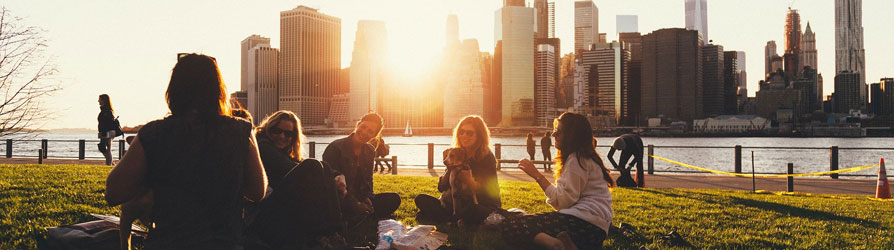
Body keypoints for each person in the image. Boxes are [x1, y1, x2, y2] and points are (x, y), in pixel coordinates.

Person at [105, 53, 267, 249]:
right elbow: (258, 192)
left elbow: (113, 193)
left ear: (173, 90)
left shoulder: (154, 133)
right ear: (218, 90)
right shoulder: (241, 131)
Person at [503, 112, 614, 250]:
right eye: (555, 131)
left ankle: (556, 245)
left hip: (582, 224)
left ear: (572, 136)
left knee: (512, 225)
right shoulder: (586, 158)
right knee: (529, 228)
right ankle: (568, 245)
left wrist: (537, 176)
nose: (554, 135)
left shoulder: (576, 160)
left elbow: (562, 202)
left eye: (558, 132)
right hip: (596, 231)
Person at [246, 110, 346, 249]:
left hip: (276, 210)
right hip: (263, 214)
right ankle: (331, 232)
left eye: (288, 133)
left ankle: (332, 232)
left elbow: (298, 163)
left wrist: (337, 175)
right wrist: (326, 178)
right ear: (269, 129)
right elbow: (293, 167)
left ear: (293, 137)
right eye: (277, 131)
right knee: (313, 166)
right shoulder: (263, 145)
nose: (282, 136)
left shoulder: (282, 152)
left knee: (324, 166)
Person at [415, 115, 502, 226]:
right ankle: (453, 220)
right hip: (455, 202)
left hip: (480, 203)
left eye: (470, 133)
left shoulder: (487, 157)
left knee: (472, 211)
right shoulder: (455, 153)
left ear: (479, 136)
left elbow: (489, 192)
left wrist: (470, 181)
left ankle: (446, 219)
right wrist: (448, 172)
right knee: (421, 199)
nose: (464, 136)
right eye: (461, 132)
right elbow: (441, 188)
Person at [322, 112, 400, 226]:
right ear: (358, 124)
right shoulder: (335, 147)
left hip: (359, 196)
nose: (364, 132)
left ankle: (359, 215)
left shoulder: (370, 150)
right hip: (340, 198)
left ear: (374, 135)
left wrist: (367, 197)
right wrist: (357, 204)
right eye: (363, 127)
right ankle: (358, 215)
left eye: (370, 131)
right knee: (339, 204)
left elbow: (368, 180)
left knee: (394, 199)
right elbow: (332, 185)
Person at [97, 94, 117, 165]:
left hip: (107, 132)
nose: (98, 101)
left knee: (106, 148)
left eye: (99, 99)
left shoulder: (107, 111)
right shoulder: (105, 110)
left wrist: (104, 133)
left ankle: (109, 164)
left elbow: (107, 124)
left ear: (103, 100)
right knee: (104, 148)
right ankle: (111, 163)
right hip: (105, 132)